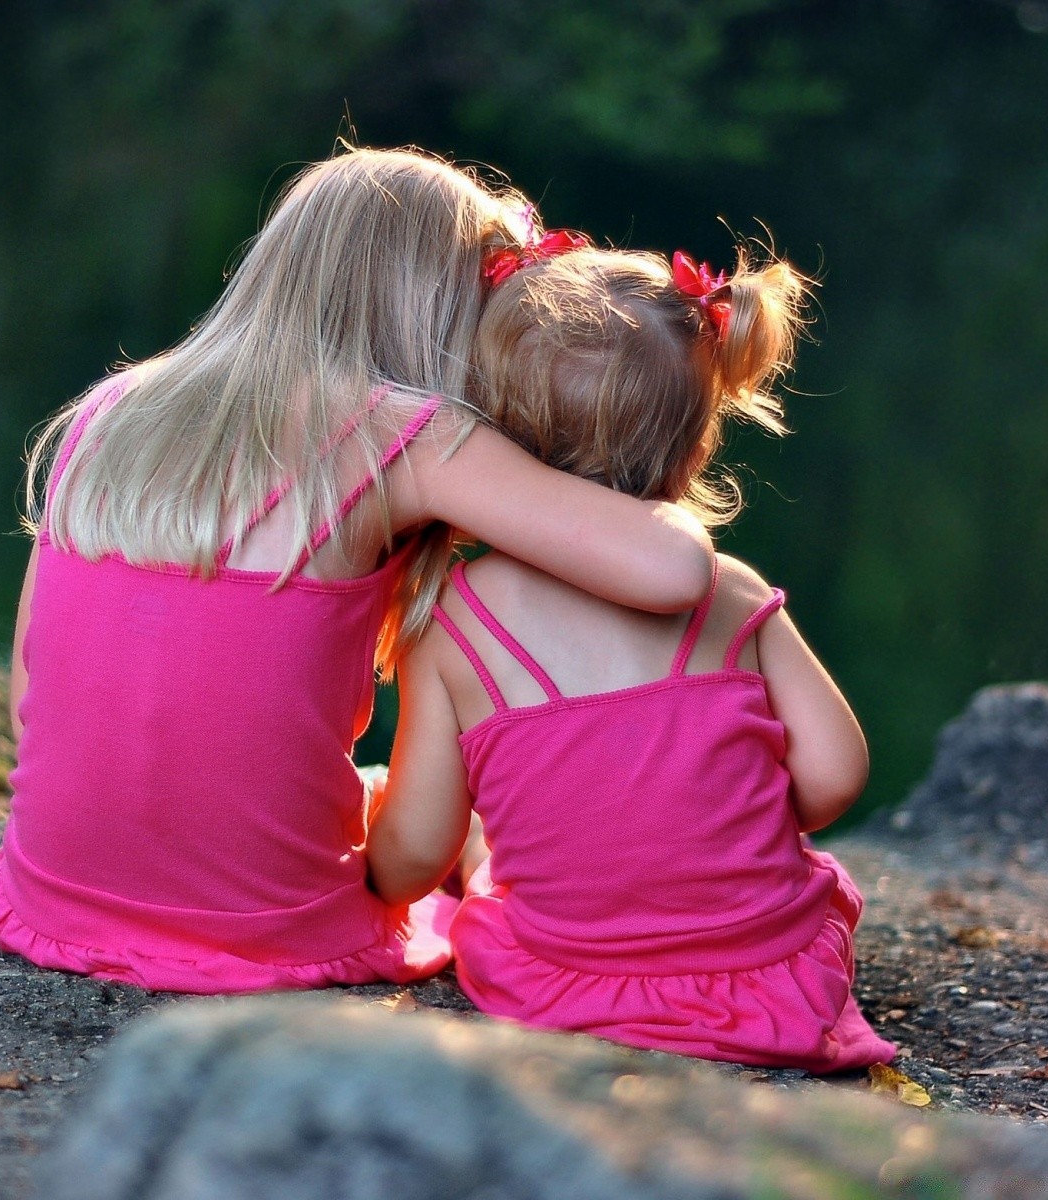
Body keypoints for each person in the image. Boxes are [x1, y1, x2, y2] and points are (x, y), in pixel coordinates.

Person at [0, 148, 716, 994]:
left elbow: (29, 688)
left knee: (370, 791)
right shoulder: (404, 432)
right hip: (269, 930)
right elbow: (674, 572)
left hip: (56, 899)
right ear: (439, 306)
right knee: (444, 821)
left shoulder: (112, 409)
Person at [367, 239, 896, 1070]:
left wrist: (364, 870)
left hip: (565, 985)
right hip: (771, 981)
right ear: (693, 442)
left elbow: (413, 854)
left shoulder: (456, 625)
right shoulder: (731, 592)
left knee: (485, 864)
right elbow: (834, 776)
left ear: (496, 436)